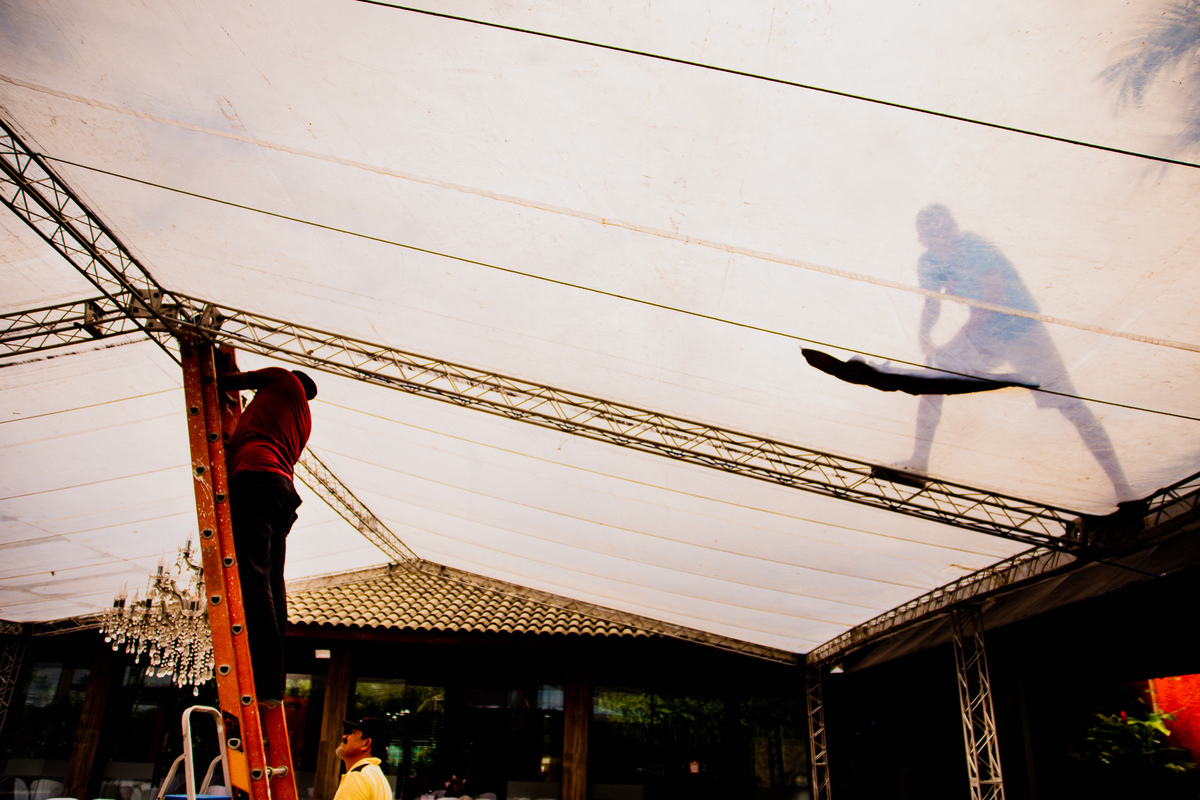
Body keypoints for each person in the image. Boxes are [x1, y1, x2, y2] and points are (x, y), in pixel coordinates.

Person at [896, 204, 1131, 498]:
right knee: (934, 378)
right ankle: (919, 463)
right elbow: (932, 302)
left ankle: (1122, 486)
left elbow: (995, 299)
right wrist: (926, 335)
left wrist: (953, 344)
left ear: (954, 228)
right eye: (932, 234)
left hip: (1022, 330)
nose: (940, 238)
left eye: (944, 230)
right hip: (986, 335)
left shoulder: (974, 247)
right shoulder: (929, 261)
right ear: (923, 239)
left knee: (1071, 406)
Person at [220, 366, 317, 703]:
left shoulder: (281, 379)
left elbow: (227, 380)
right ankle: (271, 687)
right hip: (281, 490)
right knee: (273, 583)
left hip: (255, 478)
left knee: (253, 578)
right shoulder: (303, 420)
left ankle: (259, 681)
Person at [334, 717, 393, 800]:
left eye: (353, 733)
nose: (344, 737)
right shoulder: (378, 777)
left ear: (366, 744)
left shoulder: (358, 776)